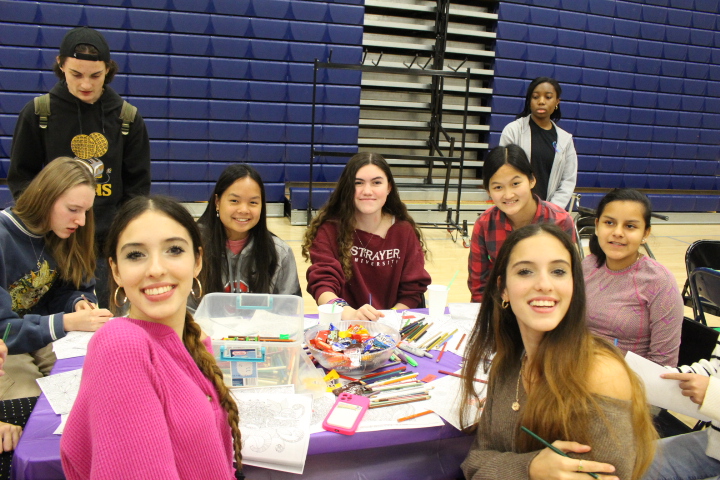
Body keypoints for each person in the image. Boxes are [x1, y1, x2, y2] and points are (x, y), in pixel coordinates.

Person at [61, 196, 243, 480]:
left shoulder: (196, 345)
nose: (156, 269)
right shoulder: (120, 345)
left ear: (197, 261)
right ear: (116, 270)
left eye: (173, 249)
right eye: (136, 255)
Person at [460, 223, 656, 480]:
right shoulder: (508, 363)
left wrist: (505, 469)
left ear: (574, 284)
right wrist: (530, 469)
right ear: (503, 288)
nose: (544, 284)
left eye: (559, 271)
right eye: (526, 271)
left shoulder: (600, 374)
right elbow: (475, 464)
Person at [8, 26, 151, 308]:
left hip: (105, 247)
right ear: (61, 66)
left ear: (108, 70)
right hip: (51, 245)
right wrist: (50, 224)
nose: (86, 84)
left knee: (106, 322)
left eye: (95, 76)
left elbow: (137, 192)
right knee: (49, 323)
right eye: (76, 74)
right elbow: (21, 182)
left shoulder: (127, 118)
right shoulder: (39, 113)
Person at [0, 157, 112, 401]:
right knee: (29, 403)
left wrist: (77, 302)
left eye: (86, 211)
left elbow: (70, 289)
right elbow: (4, 330)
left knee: (91, 388)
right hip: (8, 346)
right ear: (44, 198)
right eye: (73, 210)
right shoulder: (4, 236)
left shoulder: (63, 234)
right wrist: (67, 321)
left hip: (42, 335)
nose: (81, 221)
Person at [302, 152, 431, 320]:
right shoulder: (330, 229)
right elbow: (323, 284)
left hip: (391, 326)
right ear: (348, 188)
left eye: (376, 182)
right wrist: (350, 314)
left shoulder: (403, 231)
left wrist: (386, 319)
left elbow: (413, 291)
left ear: (389, 187)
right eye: (358, 183)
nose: (367, 191)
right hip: (345, 326)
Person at [583, 188, 683, 367]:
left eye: (630, 226)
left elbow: (663, 365)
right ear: (597, 226)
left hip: (628, 386)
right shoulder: (587, 266)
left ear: (645, 233)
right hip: (574, 372)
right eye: (609, 223)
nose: (618, 232)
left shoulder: (660, 282)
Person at [467, 145, 575, 302]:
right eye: (498, 187)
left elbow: (568, 279)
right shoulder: (484, 224)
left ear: (532, 180)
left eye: (515, 184)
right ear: (488, 191)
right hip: (501, 306)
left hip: (547, 304)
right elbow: (479, 286)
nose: (508, 194)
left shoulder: (560, 221)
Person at [195, 164, 300, 304]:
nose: (244, 209)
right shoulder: (193, 246)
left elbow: (289, 310)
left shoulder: (280, 253)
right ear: (217, 202)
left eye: (253, 202)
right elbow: (185, 309)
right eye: (234, 201)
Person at [641, 340, 720, 479]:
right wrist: (657, 378)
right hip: (715, 442)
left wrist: (713, 394)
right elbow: (713, 370)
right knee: (633, 463)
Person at [499, 77, 577, 209]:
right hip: (515, 208)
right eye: (535, 97)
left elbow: (568, 180)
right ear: (529, 101)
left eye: (548, 97)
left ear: (557, 101)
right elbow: (503, 169)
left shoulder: (565, 140)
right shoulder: (513, 130)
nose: (541, 102)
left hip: (548, 213)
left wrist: (549, 210)